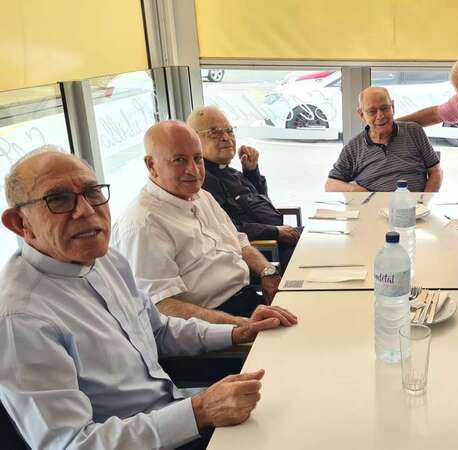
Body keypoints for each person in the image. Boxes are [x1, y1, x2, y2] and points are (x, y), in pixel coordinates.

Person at [0, 149, 297, 449]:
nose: (86, 211)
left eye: (91, 192)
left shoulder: (105, 261)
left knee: (296, 400)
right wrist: (199, 411)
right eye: (59, 199)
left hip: (173, 408)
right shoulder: (20, 318)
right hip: (157, 434)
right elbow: (73, 444)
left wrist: (237, 331)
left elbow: (159, 330)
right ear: (19, 223)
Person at [113, 121, 282, 324]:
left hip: (248, 300)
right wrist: (240, 325)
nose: (193, 171)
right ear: (151, 165)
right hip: (210, 327)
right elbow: (164, 308)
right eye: (179, 160)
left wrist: (268, 272)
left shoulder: (201, 195)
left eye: (197, 158)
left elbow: (240, 243)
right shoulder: (143, 224)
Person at [187, 105, 300, 270]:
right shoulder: (202, 183)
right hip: (263, 251)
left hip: (279, 238)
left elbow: (262, 206)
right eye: (215, 132)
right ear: (194, 139)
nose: (226, 137)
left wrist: (251, 171)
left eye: (229, 130)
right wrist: (274, 231)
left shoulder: (231, 172)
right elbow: (228, 229)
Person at [325, 86, 443, 192]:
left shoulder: (414, 131)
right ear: (361, 115)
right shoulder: (353, 147)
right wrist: (355, 190)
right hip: (373, 209)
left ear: (393, 107)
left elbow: (436, 171)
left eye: (385, 108)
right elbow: (331, 184)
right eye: (372, 111)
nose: (380, 116)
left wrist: (424, 201)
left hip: (414, 208)